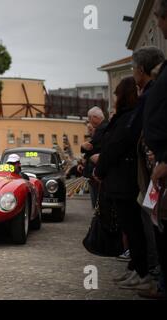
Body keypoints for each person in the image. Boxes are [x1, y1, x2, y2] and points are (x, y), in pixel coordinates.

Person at [94, 77, 149, 290]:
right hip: (119, 180)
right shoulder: (127, 117)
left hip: (123, 181)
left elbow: (114, 147)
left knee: (133, 228)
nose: (114, 99)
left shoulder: (128, 118)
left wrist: (100, 168)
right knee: (130, 227)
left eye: (116, 95)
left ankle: (141, 270)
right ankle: (135, 268)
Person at [138, 0, 167, 299]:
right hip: (158, 161)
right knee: (159, 224)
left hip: (163, 162)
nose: (157, 24)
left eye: (160, 18)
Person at [82, 107, 108, 209]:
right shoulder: (103, 128)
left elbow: (92, 148)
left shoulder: (102, 129)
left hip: (97, 173)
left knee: (98, 204)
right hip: (95, 172)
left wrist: (83, 148)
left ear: (95, 117)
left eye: (89, 118)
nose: (89, 121)